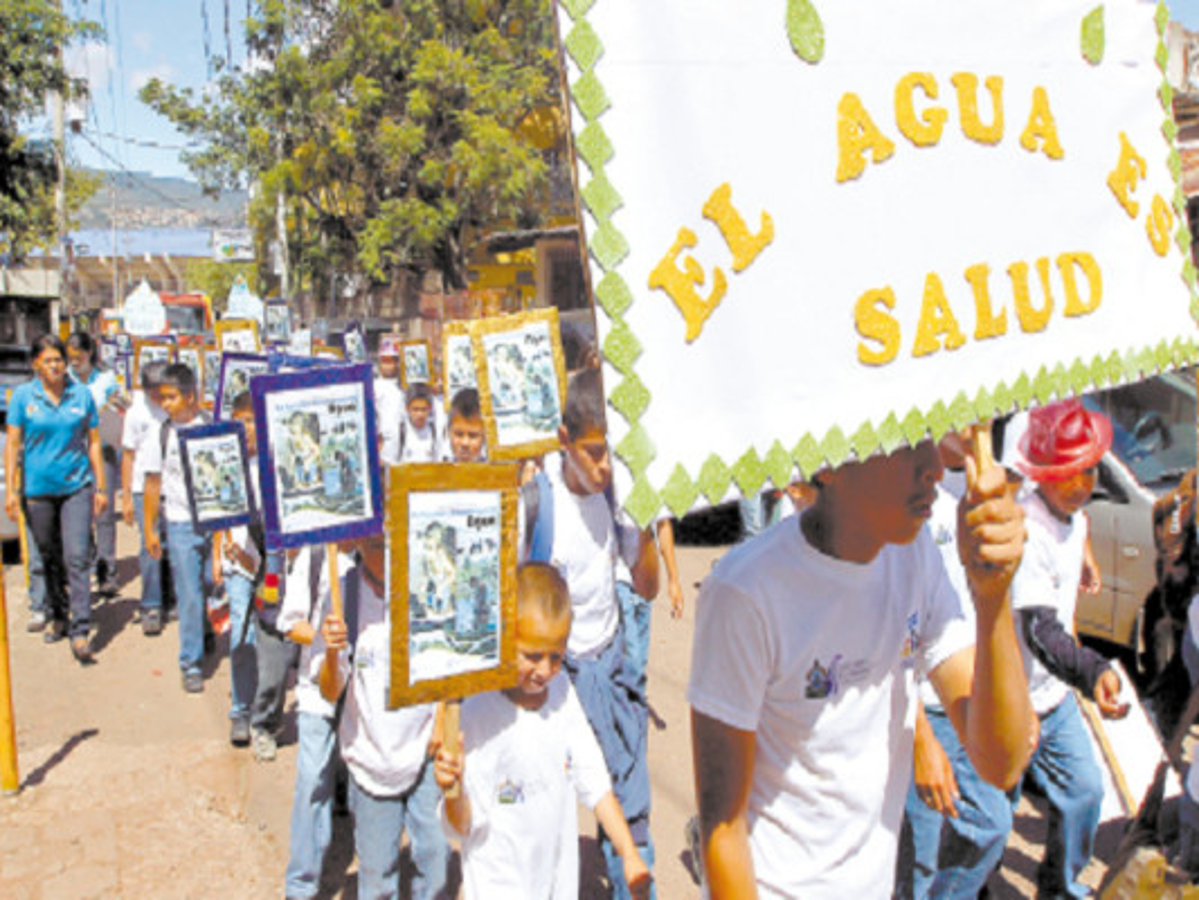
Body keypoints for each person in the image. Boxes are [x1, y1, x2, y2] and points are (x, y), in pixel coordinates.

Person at [688, 430, 1034, 898]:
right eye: (905, 439)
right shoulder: (744, 593)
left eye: (930, 436)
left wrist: (993, 600)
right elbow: (722, 829)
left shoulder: (918, 555)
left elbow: (1001, 763)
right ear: (826, 462)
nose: (933, 465)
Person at [521, 367, 660, 899]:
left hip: (612, 670)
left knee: (629, 811)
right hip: (554, 684)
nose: (604, 466)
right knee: (544, 814)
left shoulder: (616, 496)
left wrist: (644, 525)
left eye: (612, 452)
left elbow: (645, 586)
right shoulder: (537, 501)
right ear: (564, 441)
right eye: (594, 452)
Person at [434, 562, 652, 899]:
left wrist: (629, 852)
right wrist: (453, 790)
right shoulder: (478, 712)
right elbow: (462, 824)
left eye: (556, 655)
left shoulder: (563, 692)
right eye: (531, 656)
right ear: (504, 636)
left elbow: (594, 781)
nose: (544, 670)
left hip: (555, 886)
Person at [1009, 398, 1130, 899]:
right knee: (989, 825)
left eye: (1089, 471)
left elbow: (1074, 540)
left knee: (1085, 792)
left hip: (1054, 697)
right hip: (1010, 697)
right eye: (1069, 475)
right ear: (1042, 474)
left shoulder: (1074, 518)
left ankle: (1060, 890)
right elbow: (1039, 630)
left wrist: (1087, 563)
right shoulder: (1025, 529)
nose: (1082, 485)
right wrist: (1091, 668)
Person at [895, 430, 1016, 900]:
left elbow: (988, 612)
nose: (972, 428)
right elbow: (896, 634)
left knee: (991, 824)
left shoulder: (985, 492)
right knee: (919, 860)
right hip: (918, 706)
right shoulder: (904, 501)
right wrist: (921, 738)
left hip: (963, 691)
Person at [319, 534, 449, 900]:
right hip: (370, 761)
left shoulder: (430, 587)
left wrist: (441, 718)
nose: (389, 554)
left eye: (398, 541)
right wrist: (332, 653)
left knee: (436, 861)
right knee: (377, 878)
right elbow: (330, 690)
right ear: (358, 543)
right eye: (377, 546)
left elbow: (449, 663)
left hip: (425, 752)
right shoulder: (343, 597)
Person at [5, 335, 107, 663]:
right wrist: (11, 489)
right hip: (37, 492)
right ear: (36, 364)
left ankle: (80, 630)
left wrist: (101, 488)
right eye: (48, 361)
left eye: (59, 360)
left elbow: (93, 441)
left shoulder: (81, 395)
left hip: (76, 488)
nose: (55, 366)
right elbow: (13, 445)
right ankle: (59, 614)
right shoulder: (23, 397)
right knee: (48, 558)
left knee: (76, 556)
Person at [142, 363, 213, 694]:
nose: (166, 404)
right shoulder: (161, 433)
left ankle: (206, 627)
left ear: (190, 396)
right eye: (162, 398)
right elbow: (153, 482)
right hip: (181, 523)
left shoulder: (211, 427)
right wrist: (150, 529)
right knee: (188, 594)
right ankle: (191, 662)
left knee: (213, 583)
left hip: (214, 523)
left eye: (172, 397)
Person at [276, 543, 339, 898]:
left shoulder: (382, 552)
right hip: (317, 685)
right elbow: (289, 621)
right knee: (313, 775)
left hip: (364, 692)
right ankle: (301, 883)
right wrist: (321, 638)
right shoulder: (315, 556)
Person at [214, 391, 263, 746]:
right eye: (239, 420)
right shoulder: (226, 462)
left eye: (251, 421)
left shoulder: (274, 465)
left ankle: (264, 707)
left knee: (271, 637)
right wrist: (220, 552)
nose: (245, 429)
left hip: (268, 563)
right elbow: (218, 511)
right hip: (236, 564)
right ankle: (240, 711)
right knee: (240, 635)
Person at [121, 360, 170, 636]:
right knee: (150, 545)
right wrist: (127, 496)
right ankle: (151, 604)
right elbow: (128, 455)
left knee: (173, 545)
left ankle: (171, 598)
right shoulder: (136, 412)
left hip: (171, 486)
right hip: (143, 488)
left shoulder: (174, 405)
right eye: (153, 392)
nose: (158, 397)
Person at [446, 387, 486, 463]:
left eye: (473, 436)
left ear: (485, 435)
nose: (465, 443)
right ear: (448, 432)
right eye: (459, 434)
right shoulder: (438, 473)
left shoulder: (498, 473)